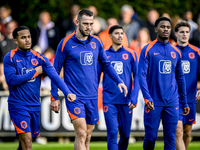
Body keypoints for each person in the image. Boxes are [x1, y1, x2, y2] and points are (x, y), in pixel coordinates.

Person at [50, 9, 128, 150]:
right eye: (85, 23)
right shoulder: (65, 43)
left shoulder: (96, 42)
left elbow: (106, 64)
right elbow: (54, 71)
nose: (88, 27)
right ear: (77, 22)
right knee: (81, 132)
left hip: (92, 96)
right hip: (74, 96)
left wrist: (119, 81)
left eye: (91, 24)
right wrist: (54, 96)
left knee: (87, 137)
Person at [3, 26, 76, 150]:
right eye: (23, 37)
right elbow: (11, 80)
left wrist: (67, 92)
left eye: (29, 37)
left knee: (24, 143)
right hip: (18, 106)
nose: (27, 40)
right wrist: (34, 72)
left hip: (35, 106)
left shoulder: (39, 58)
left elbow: (55, 76)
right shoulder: (10, 57)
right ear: (16, 41)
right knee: (27, 143)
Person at [138, 17, 190, 150]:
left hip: (172, 102)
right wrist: (147, 97)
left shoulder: (176, 52)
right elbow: (141, 76)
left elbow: (180, 78)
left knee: (170, 139)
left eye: (168, 27)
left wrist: (184, 102)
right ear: (156, 29)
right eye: (162, 27)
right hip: (153, 101)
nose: (165, 29)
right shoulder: (147, 49)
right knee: (150, 138)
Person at [99, 25, 139, 150]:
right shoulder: (103, 54)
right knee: (112, 133)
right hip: (109, 100)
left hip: (125, 100)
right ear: (110, 36)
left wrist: (135, 96)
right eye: (116, 33)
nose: (120, 36)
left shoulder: (131, 53)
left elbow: (137, 77)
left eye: (122, 33)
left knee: (125, 136)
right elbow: (95, 75)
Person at [174, 21, 200, 150]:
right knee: (177, 131)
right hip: (174, 98)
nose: (184, 34)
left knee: (187, 132)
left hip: (190, 97)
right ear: (176, 34)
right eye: (182, 32)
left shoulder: (197, 52)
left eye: (187, 32)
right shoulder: (170, 51)